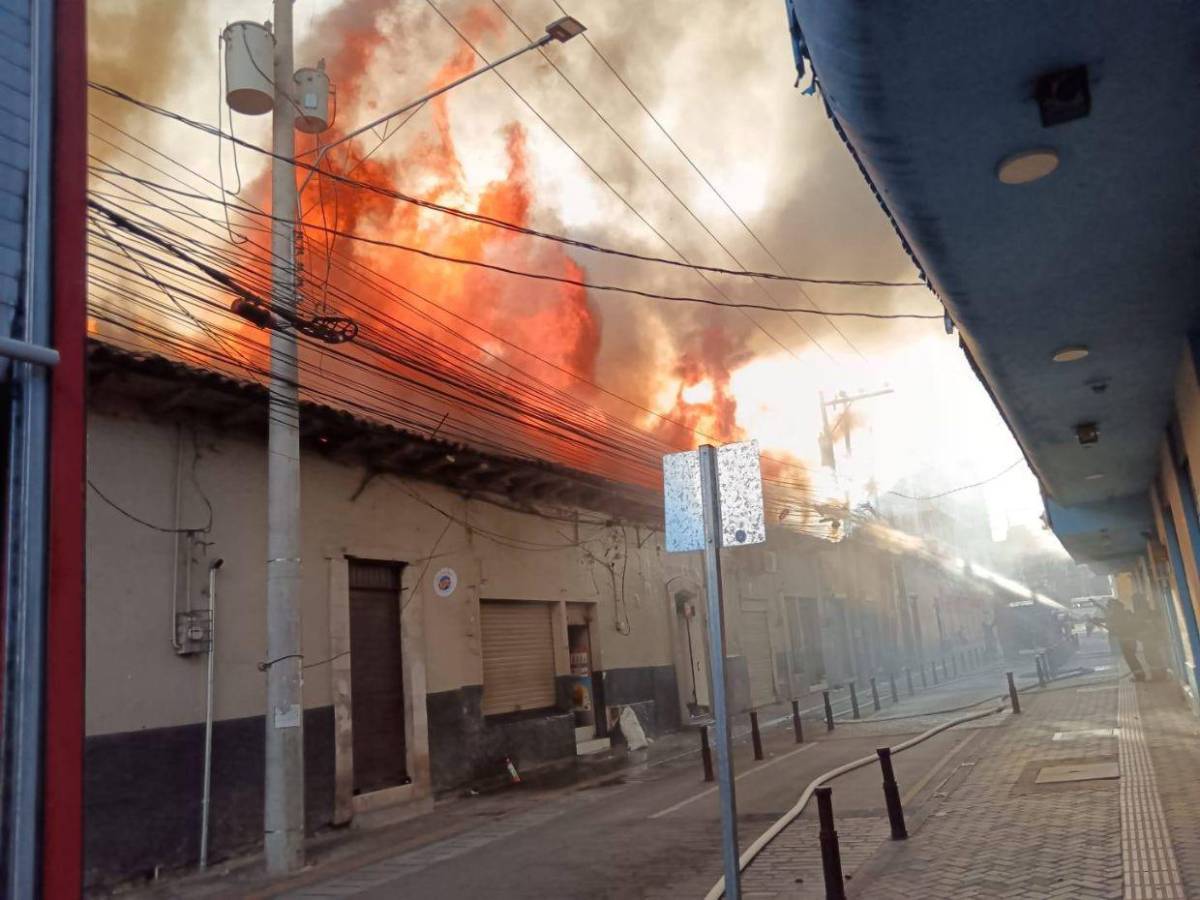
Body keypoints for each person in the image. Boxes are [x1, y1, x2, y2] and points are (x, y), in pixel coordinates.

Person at [1105, 599, 1145, 680]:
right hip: (1131, 639)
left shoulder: (1116, 615)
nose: (1110, 608)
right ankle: (1140, 675)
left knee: (1130, 659)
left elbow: (1113, 628)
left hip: (1125, 640)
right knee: (1132, 658)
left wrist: (1110, 627)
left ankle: (1139, 676)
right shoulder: (1127, 613)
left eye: (1111, 606)